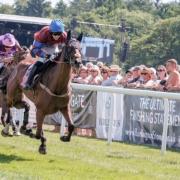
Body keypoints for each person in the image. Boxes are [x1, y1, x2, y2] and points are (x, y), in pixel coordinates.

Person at [23, 19, 67, 89]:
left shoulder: (64, 35)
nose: (57, 36)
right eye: (55, 34)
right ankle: (28, 82)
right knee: (41, 61)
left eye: (59, 34)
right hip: (41, 45)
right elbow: (35, 50)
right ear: (51, 31)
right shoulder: (43, 33)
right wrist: (45, 55)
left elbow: (68, 46)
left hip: (53, 45)